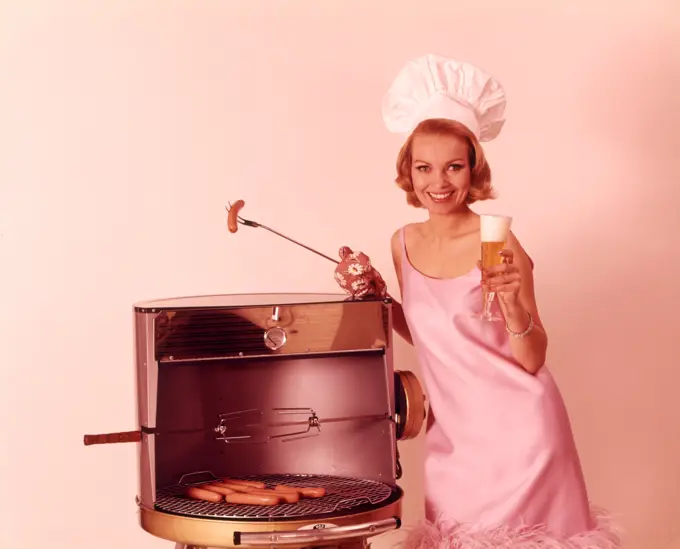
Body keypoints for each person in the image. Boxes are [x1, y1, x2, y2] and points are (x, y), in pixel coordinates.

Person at [333, 54, 621, 548]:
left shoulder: (501, 244)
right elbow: (428, 331)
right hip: (455, 444)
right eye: (424, 167)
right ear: (409, 171)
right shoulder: (402, 243)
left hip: (524, 438)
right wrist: (378, 295)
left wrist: (513, 307)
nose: (438, 183)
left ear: (473, 169)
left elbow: (532, 358)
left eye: (453, 167)